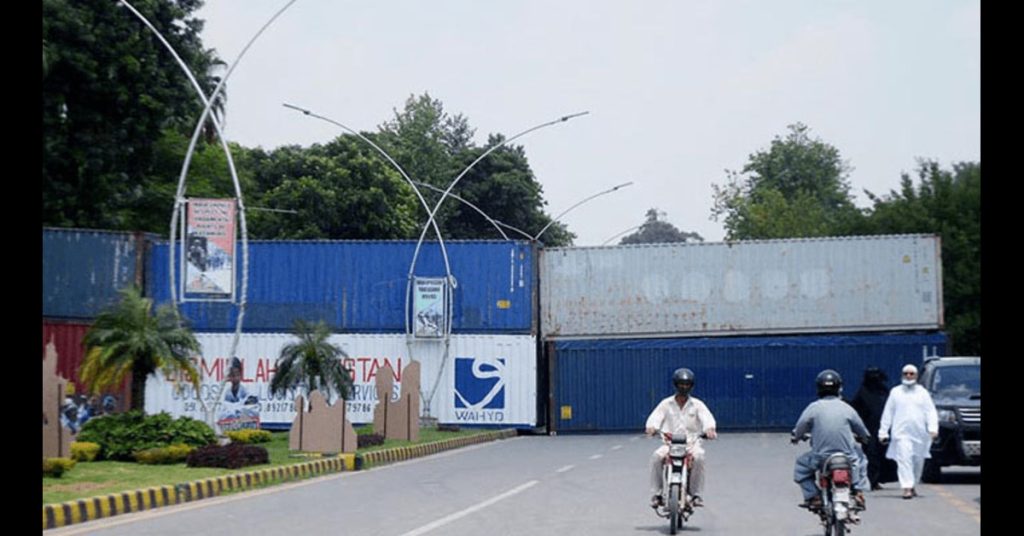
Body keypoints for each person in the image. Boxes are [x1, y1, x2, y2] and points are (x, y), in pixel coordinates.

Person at [792, 369, 871, 511]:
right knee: (862, 460)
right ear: (839, 387)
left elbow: (801, 426)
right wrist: (865, 437)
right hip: (847, 457)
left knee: (801, 467)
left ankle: (813, 497)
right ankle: (858, 492)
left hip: (820, 458)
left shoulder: (813, 408)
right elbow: (860, 428)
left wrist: (796, 437)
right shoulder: (847, 408)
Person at [645, 368, 717, 509]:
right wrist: (651, 427)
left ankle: (695, 494)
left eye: (687, 384)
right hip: (669, 443)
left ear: (691, 386)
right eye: (681, 384)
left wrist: (710, 429)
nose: (684, 387)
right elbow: (655, 418)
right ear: (675, 385)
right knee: (656, 457)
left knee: (700, 456)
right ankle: (657, 494)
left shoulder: (697, 405)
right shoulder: (666, 404)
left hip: (691, 444)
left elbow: (707, 418)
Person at [878, 364, 939, 499]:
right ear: (902, 375)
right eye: (906, 373)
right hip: (901, 434)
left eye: (911, 373)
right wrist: (883, 432)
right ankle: (906, 487)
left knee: (917, 461)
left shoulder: (923, 393)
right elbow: (888, 413)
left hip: (920, 434)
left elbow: (930, 411)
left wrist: (933, 428)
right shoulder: (895, 392)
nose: (909, 376)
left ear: (916, 376)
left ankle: (912, 484)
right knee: (904, 459)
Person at [849, 366, 898, 489]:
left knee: (884, 455)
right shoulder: (863, 392)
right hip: (869, 430)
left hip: (885, 429)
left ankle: (880, 479)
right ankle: (872, 480)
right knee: (871, 455)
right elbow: (856, 410)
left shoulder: (885, 392)